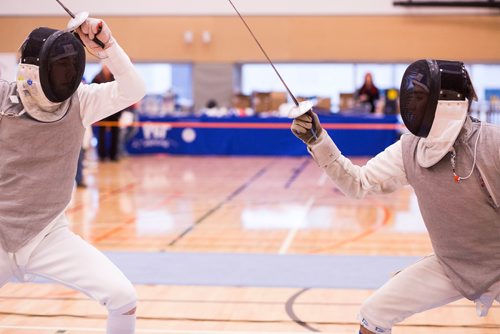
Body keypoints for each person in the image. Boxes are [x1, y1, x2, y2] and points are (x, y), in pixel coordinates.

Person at [291, 59, 499, 334]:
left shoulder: (491, 144)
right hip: (450, 265)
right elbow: (358, 182)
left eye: (421, 98)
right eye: (412, 98)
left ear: (449, 101)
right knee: (373, 314)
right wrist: (317, 139)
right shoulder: (409, 149)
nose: (412, 106)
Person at [0, 16, 145, 334]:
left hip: (48, 236)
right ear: (32, 69)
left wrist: (107, 48)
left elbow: (134, 89)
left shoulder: (80, 102)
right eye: (58, 68)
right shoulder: (2, 98)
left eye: (69, 67)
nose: (65, 76)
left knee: (123, 297)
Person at [92, 64, 123, 161]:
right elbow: (93, 95)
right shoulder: (97, 78)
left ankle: (113, 155)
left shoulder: (116, 78)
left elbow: (120, 94)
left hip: (114, 110)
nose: (107, 69)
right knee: (101, 135)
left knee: (115, 134)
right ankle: (102, 156)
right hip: (102, 110)